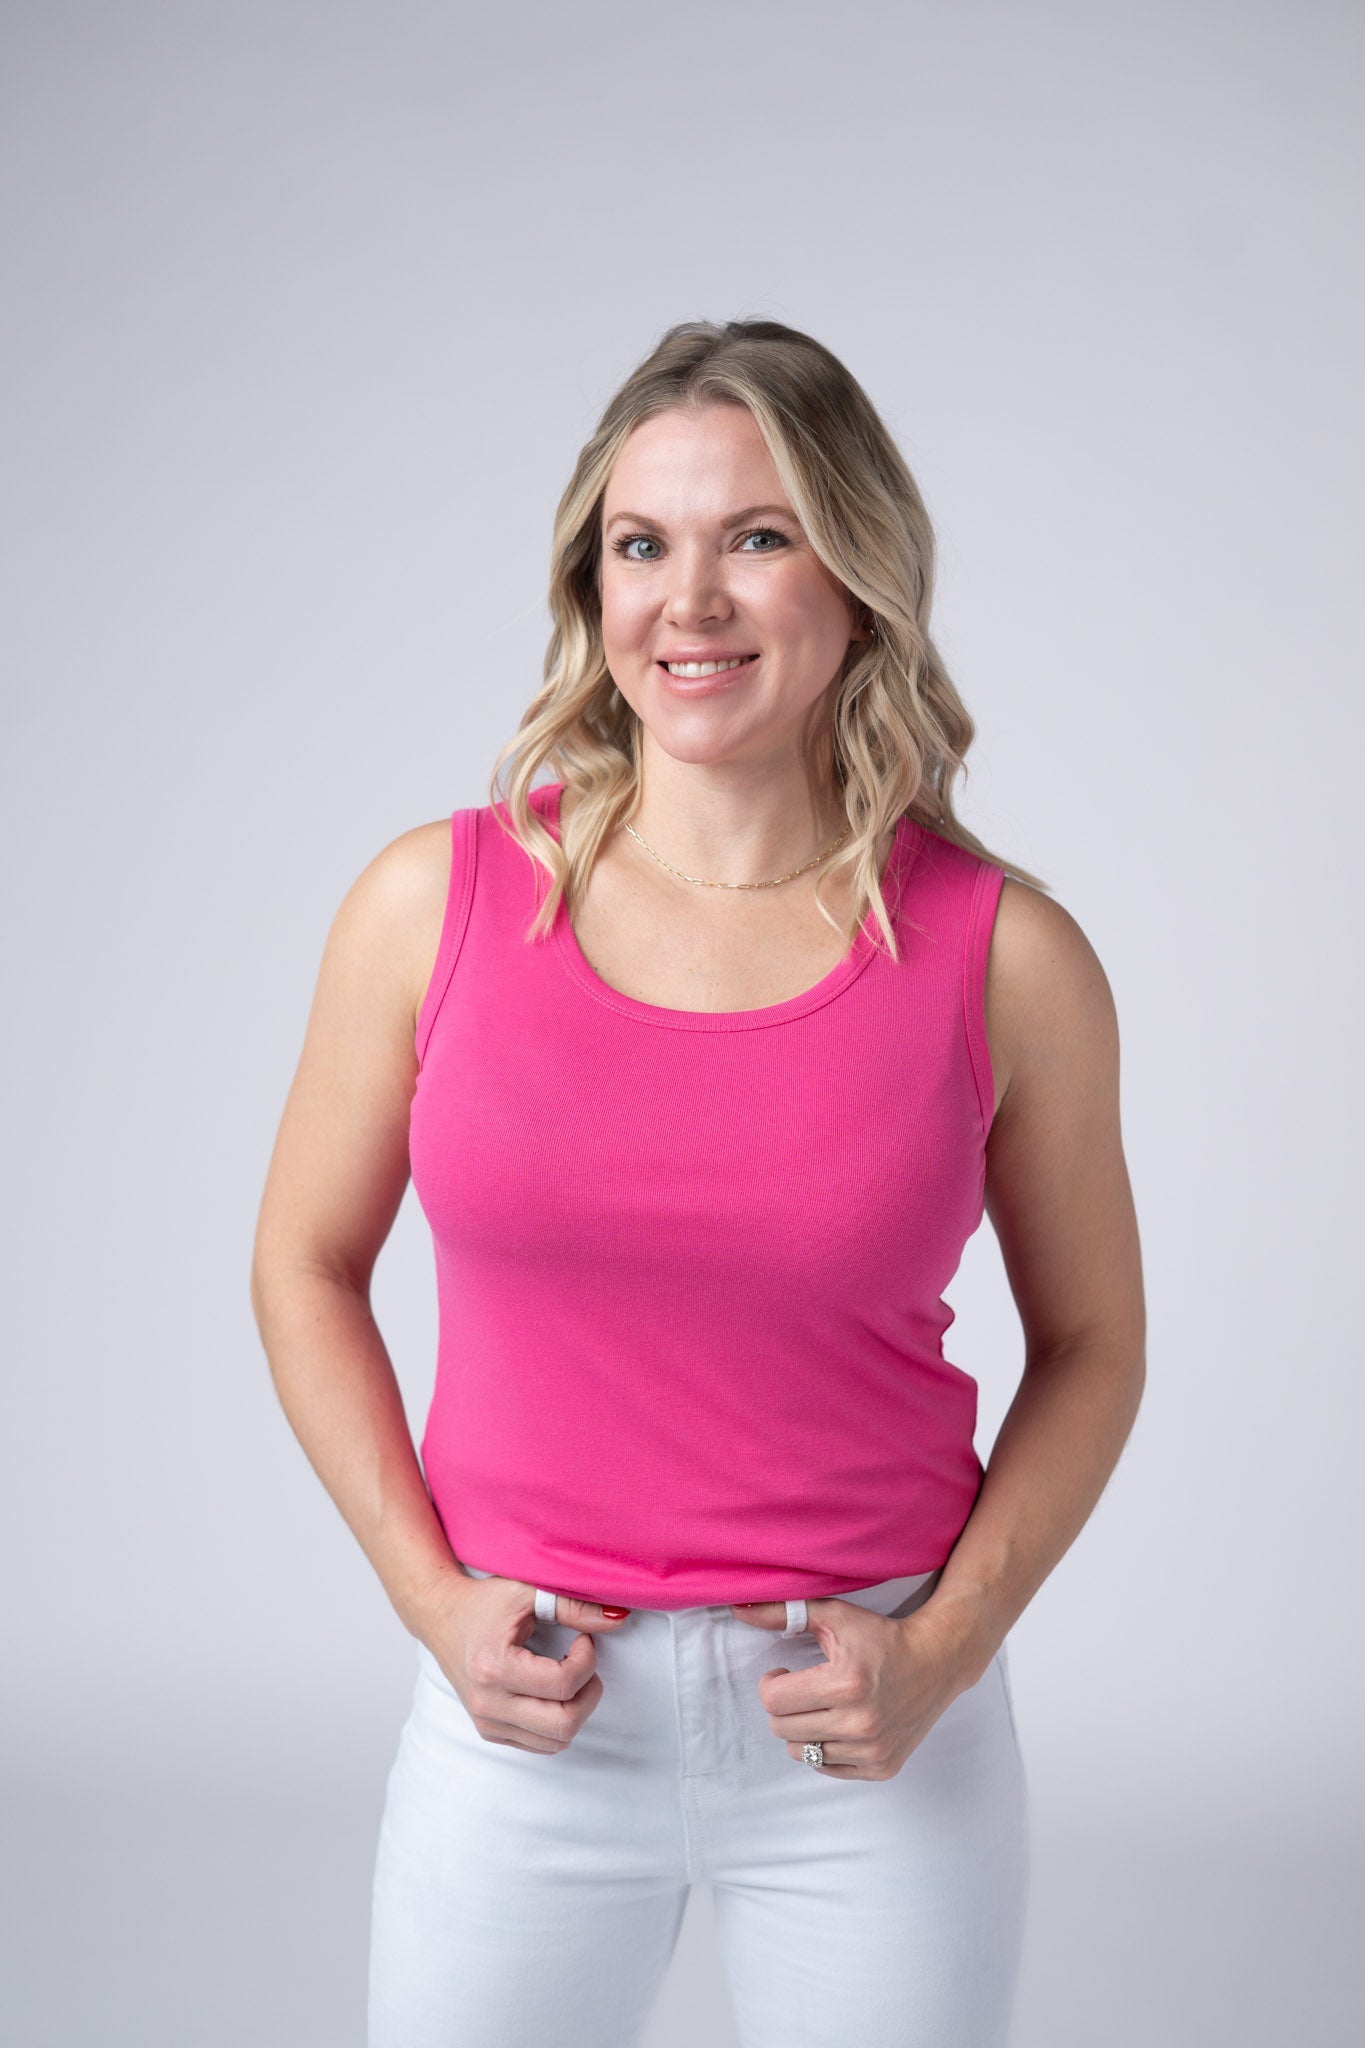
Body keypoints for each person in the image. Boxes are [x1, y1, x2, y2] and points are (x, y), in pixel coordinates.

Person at [250, 317, 1146, 2048]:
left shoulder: (1005, 957)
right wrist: (428, 1600)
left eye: (756, 536)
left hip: (870, 1731)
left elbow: (1095, 1341)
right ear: (590, 588)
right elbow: (300, 1262)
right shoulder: (429, 907)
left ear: (857, 578)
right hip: (529, 1724)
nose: (690, 600)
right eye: (640, 545)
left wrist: (944, 1653)